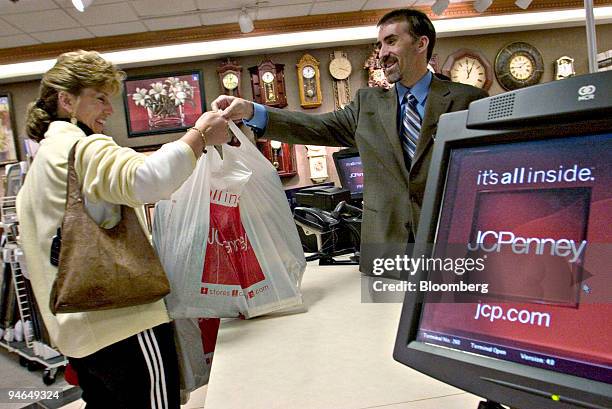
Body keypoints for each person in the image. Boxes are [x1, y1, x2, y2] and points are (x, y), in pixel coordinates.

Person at [16, 50, 230, 408]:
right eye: (99, 98)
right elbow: (148, 179)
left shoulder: (41, 164)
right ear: (66, 100)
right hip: (125, 323)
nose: (109, 110)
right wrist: (200, 135)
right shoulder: (80, 148)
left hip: (80, 333)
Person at [212, 8, 488, 278]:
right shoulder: (366, 105)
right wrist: (251, 111)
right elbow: (316, 127)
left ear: (421, 43)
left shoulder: (467, 101)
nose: (382, 54)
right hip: (387, 253)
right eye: (379, 45)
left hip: (452, 246)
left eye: (391, 41)